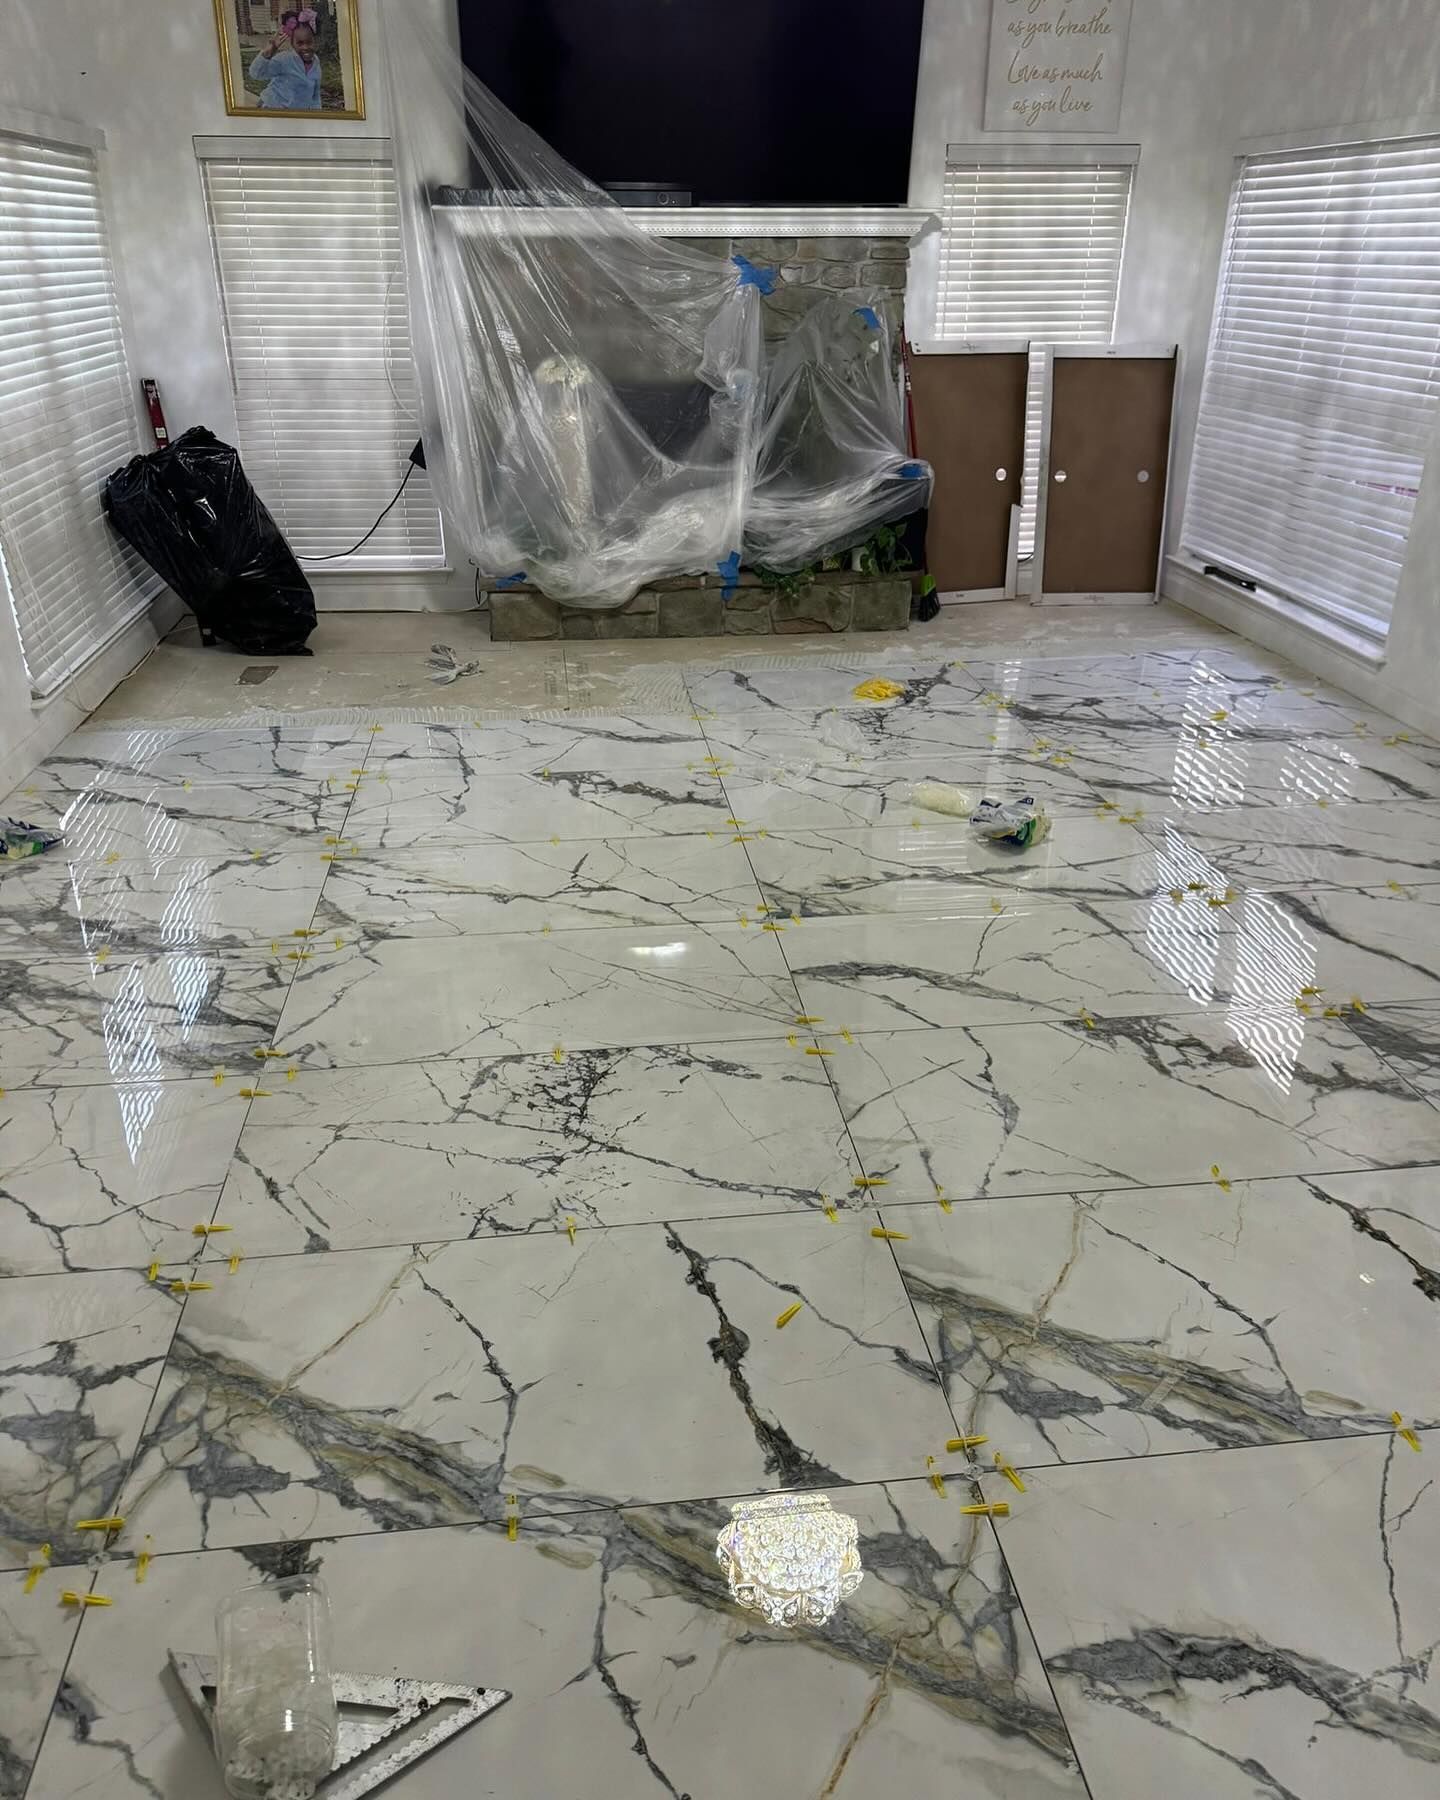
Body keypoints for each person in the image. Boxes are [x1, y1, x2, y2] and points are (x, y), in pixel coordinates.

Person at [248, 19, 321, 110]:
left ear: (316, 42)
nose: (305, 47)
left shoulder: (316, 61)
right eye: (300, 43)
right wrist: (268, 52)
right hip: (272, 108)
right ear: (292, 44)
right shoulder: (284, 59)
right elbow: (256, 74)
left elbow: (315, 94)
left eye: (309, 42)